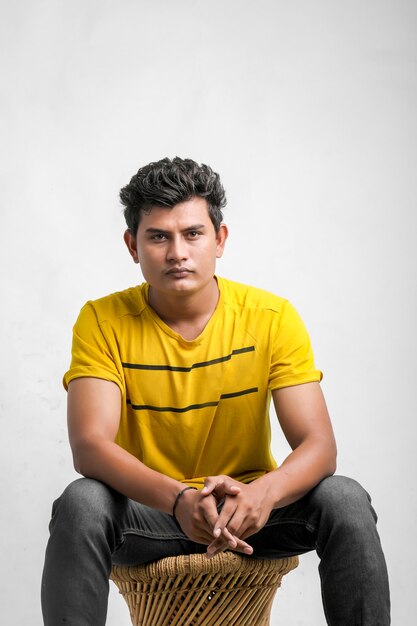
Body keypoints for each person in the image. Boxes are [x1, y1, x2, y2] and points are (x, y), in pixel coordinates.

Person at [41, 157, 390, 625]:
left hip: (251, 511)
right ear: (132, 245)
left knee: (344, 497)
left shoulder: (271, 317)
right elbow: (90, 447)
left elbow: (320, 447)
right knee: (82, 502)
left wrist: (263, 494)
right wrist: (179, 500)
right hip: (154, 514)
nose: (177, 253)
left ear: (220, 240)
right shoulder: (102, 320)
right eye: (158, 236)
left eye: (193, 234)